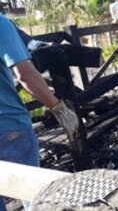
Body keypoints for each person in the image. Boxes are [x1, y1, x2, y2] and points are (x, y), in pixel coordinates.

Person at [0, 14, 79, 211]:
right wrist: (59, 109)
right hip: (10, 125)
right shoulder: (1, 23)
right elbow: (25, 74)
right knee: (32, 195)